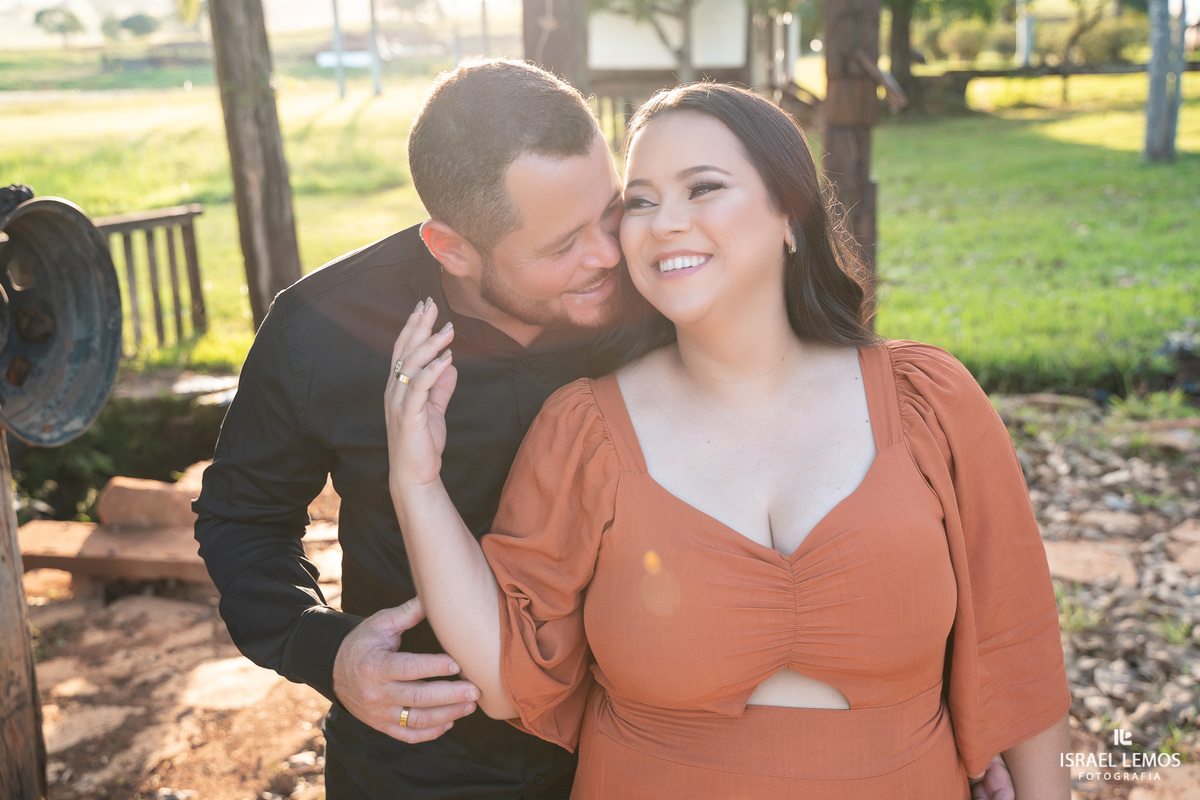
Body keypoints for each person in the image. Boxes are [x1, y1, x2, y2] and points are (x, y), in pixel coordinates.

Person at [384, 81, 1072, 798]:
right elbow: (507, 675)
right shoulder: (584, 431)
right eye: (641, 201)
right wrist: (417, 483)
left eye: (702, 188)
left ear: (789, 214)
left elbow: (1019, 656)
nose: (664, 223)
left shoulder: (928, 401)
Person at [193, 59, 626, 797]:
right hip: (420, 757)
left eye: (612, 212)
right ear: (450, 248)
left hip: (633, 740)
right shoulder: (320, 330)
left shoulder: (655, 286)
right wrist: (323, 650)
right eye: (563, 247)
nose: (611, 255)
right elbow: (243, 518)